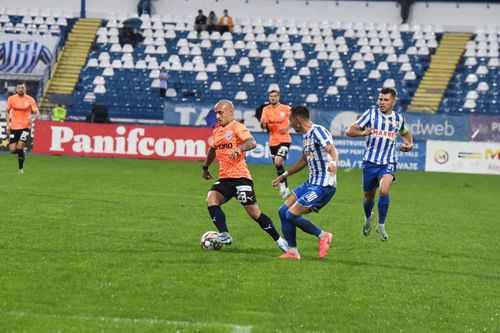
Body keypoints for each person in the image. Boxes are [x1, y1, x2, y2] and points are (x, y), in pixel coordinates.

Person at [202, 99, 288, 252]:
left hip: (241, 178)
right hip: (225, 178)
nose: (218, 116)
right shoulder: (217, 131)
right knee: (211, 198)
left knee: (255, 214)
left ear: (230, 112)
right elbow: (212, 151)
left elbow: (251, 143)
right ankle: (225, 234)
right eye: (216, 113)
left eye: (220, 113)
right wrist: (205, 167)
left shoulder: (237, 127)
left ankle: (279, 240)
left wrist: (240, 148)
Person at [345, 87, 414, 241]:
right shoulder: (370, 114)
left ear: (393, 102)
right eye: (381, 99)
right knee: (369, 197)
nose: (382, 102)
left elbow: (406, 133)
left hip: (388, 161)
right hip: (370, 162)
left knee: (384, 190)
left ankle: (381, 225)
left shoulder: (399, 119)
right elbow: (349, 131)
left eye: (386, 100)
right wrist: (363, 133)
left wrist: (410, 144)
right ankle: (368, 217)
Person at [271, 105, 337, 260]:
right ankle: (293, 252)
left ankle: (323, 236)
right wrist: (284, 175)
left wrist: (333, 163)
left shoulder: (318, 131)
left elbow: (333, 150)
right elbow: (303, 161)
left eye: (290, 120)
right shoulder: (306, 135)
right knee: (283, 211)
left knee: (291, 214)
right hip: (311, 183)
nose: (289, 124)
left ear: (297, 120)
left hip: (323, 185)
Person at [260, 90, 292, 198]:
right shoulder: (266, 109)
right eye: (271, 96)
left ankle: (283, 185)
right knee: (277, 165)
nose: (273, 98)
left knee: (278, 162)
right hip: (273, 141)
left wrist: (287, 127)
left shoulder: (286, 108)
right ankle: (285, 187)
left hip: (284, 140)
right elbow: (263, 126)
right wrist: (262, 124)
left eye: (275, 96)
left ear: (278, 97)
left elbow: (294, 119)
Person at [5, 82, 39, 174]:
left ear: (25, 89)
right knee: (12, 150)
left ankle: (20, 168)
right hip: (14, 126)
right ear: (16, 90)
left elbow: (36, 112)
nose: (21, 89)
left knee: (20, 145)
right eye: (19, 88)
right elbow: (7, 112)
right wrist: (8, 125)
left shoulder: (30, 99)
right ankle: (22, 152)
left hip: (25, 126)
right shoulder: (11, 99)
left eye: (22, 88)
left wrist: (34, 118)